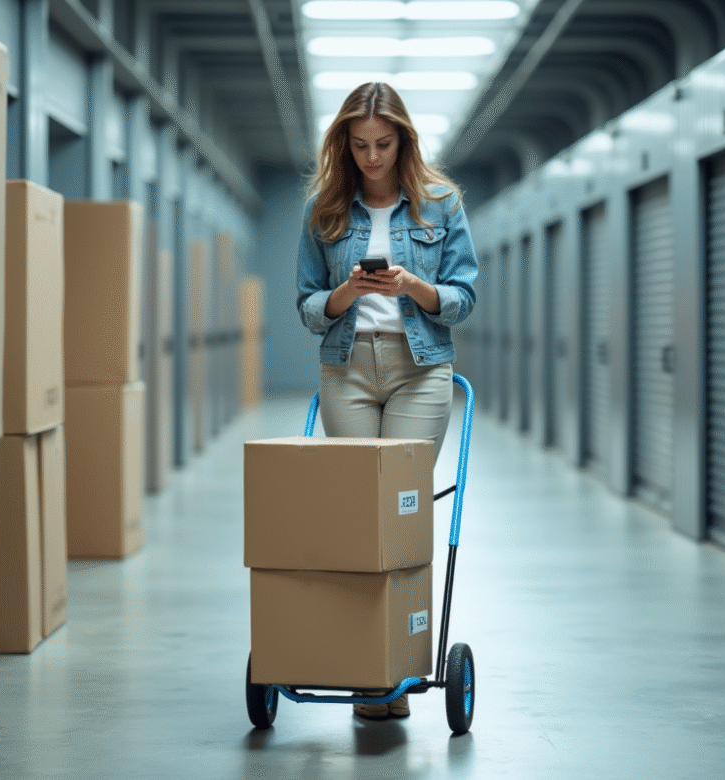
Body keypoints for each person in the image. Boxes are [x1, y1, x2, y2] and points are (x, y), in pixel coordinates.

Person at [295, 82, 479, 721]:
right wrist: (344, 295)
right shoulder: (324, 210)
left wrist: (415, 286)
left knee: (398, 513)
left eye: (383, 143)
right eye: (360, 144)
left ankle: (396, 663)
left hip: (420, 369)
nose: (372, 157)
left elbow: (465, 296)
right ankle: (359, 660)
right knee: (356, 515)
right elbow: (308, 306)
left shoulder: (441, 205)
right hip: (346, 368)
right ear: (343, 144)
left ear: (403, 140)